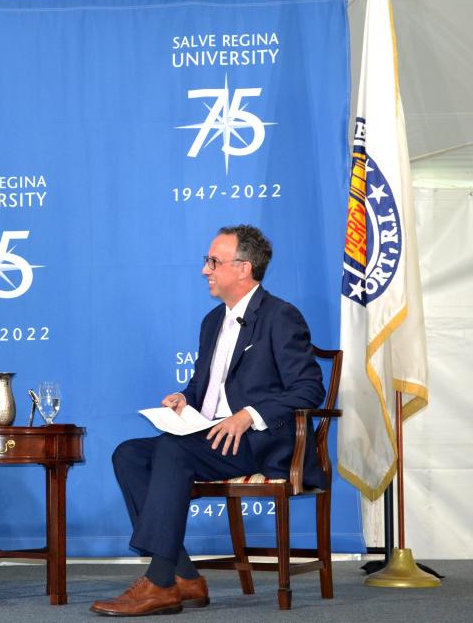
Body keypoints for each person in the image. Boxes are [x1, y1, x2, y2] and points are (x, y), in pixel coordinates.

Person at [91, 225, 326, 616]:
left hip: (257, 443)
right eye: (207, 262)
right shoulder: (211, 322)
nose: (205, 270)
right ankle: (186, 576)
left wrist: (247, 417)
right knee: (128, 454)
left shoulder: (281, 317)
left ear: (243, 268)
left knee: (172, 450)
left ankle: (160, 581)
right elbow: (204, 388)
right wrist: (185, 398)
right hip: (209, 437)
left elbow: (308, 389)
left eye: (213, 262)